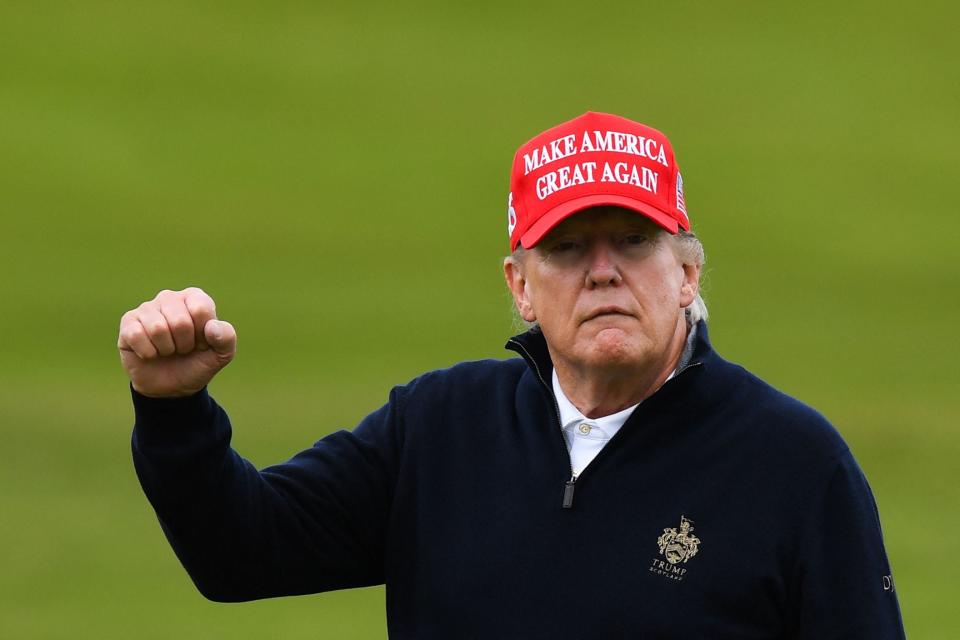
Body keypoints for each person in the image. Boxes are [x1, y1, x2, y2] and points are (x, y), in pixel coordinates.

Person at [120, 112, 906, 638]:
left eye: (633, 241)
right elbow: (240, 552)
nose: (602, 273)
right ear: (520, 286)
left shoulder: (794, 466)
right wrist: (174, 413)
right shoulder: (439, 430)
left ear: (688, 273)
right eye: (567, 249)